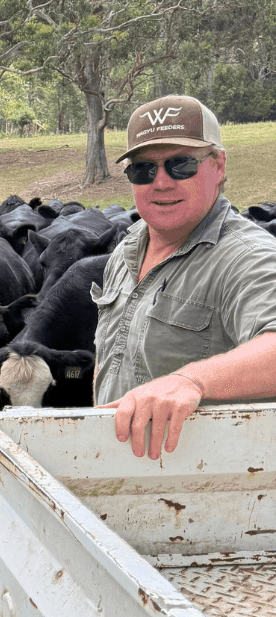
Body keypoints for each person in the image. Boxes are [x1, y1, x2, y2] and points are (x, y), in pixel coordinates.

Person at [92, 94, 276, 459]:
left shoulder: (245, 256)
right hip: (117, 467)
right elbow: (110, 359)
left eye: (180, 165)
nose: (161, 183)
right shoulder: (126, 249)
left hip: (201, 482)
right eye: (143, 169)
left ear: (219, 165)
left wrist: (189, 380)